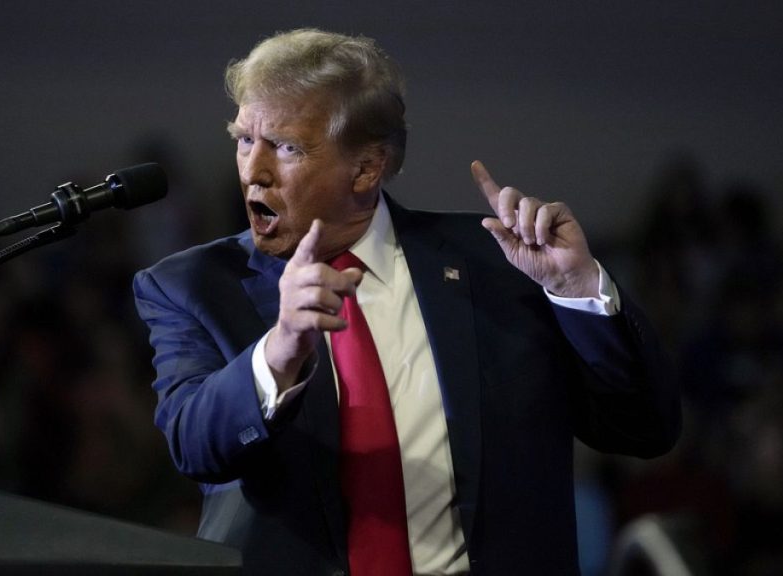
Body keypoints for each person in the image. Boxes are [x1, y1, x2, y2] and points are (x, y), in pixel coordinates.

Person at [133, 28, 680, 576]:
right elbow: (194, 444)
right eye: (244, 139)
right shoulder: (192, 285)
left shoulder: (502, 265)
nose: (254, 170)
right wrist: (278, 352)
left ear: (366, 169)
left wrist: (578, 290)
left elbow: (644, 428)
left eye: (287, 146)